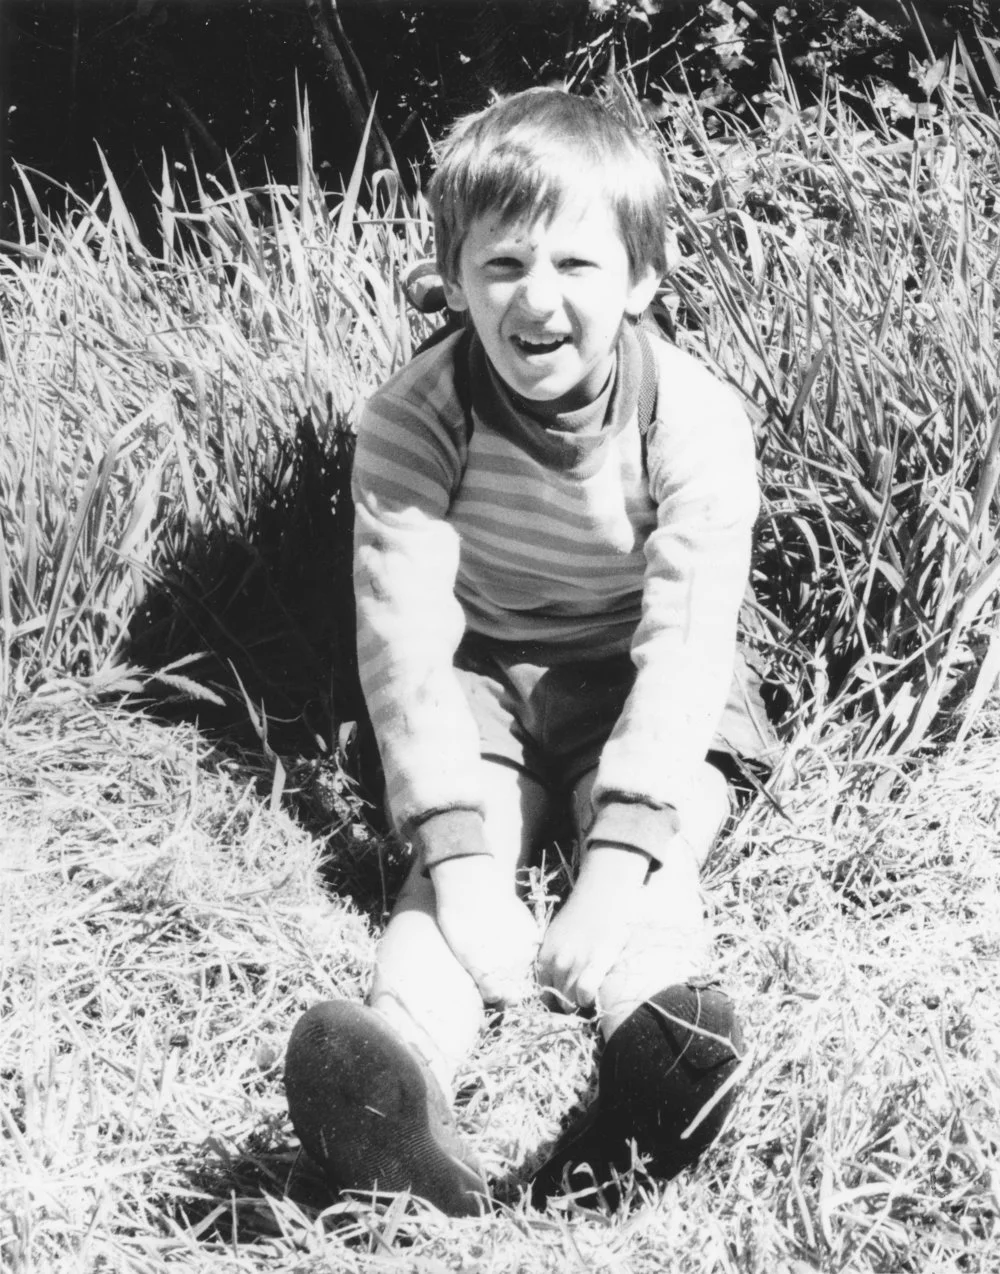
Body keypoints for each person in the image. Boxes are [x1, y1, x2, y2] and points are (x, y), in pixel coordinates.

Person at [284, 86, 778, 1217]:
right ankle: (391, 1080)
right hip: (478, 670)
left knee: (657, 842)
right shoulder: (413, 416)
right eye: (500, 265)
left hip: (639, 672)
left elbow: (688, 645)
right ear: (451, 282)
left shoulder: (693, 419)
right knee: (451, 870)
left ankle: (665, 1040)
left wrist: (608, 869)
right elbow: (403, 643)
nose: (535, 298)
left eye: (575, 265)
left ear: (642, 281)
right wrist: (460, 865)